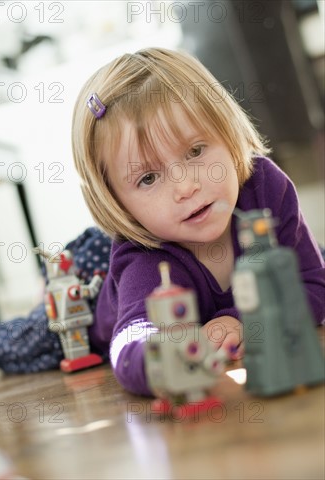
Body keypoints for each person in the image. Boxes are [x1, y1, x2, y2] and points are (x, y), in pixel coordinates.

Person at [71, 47, 325, 396]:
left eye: (195, 151)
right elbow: (129, 345)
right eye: (148, 178)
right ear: (118, 202)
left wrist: (241, 321)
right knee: (48, 323)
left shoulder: (267, 188)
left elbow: (313, 284)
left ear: (226, 130)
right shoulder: (144, 260)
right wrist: (167, 358)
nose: (186, 187)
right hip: (95, 288)